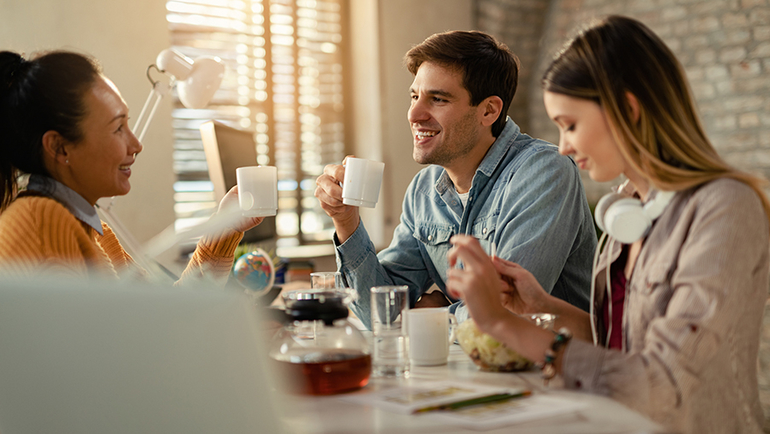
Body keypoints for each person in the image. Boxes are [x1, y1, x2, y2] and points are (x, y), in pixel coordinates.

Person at [446, 15, 770, 433]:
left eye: (570, 124)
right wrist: (542, 306)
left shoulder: (725, 208)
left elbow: (661, 380)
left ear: (628, 110)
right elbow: (619, 348)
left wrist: (500, 323)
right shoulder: (628, 208)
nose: (562, 147)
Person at [314, 30, 597, 327]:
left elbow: (508, 312)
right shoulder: (423, 191)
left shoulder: (544, 171)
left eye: (437, 99)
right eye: (414, 96)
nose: (414, 114)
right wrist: (346, 221)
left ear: (488, 111)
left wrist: (431, 317)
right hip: (467, 367)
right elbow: (380, 314)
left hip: (554, 368)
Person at [0, 50, 262, 282]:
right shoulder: (43, 226)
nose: (136, 145)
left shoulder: (96, 233)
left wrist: (225, 225)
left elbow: (161, 318)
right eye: (117, 128)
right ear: (59, 147)